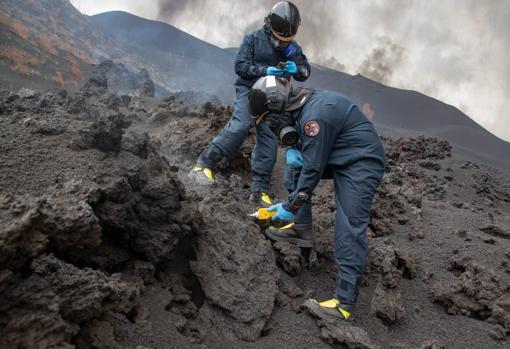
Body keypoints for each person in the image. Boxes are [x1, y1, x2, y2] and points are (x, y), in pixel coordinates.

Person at [248, 76, 386, 321]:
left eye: (270, 120)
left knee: (349, 225)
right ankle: (301, 229)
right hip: (339, 153)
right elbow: (309, 162)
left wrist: (288, 207)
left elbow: (312, 172)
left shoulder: (314, 118)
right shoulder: (301, 105)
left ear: (279, 107)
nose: (272, 127)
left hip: (361, 162)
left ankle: (343, 304)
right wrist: (296, 148)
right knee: (295, 167)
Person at [188, 1, 311, 206]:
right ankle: (203, 166)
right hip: (249, 90)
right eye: (278, 39)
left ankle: (259, 191)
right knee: (241, 124)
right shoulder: (253, 39)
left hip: (273, 97)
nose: (281, 44)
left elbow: (305, 71)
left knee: (269, 139)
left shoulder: (292, 48)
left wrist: (296, 69)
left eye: (286, 41)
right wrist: (265, 71)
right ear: (270, 26)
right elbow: (240, 66)